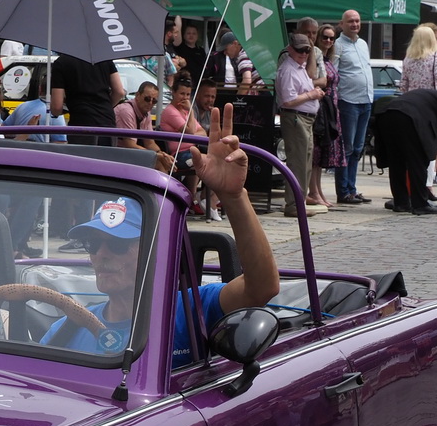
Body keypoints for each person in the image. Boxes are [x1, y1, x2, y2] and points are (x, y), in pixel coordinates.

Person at [38, 105, 279, 363]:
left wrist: (233, 197)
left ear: (155, 252)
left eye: (118, 244)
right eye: (93, 243)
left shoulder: (187, 310)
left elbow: (262, 287)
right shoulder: (65, 329)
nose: (101, 254)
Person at [375, 88, 437, 216]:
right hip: (408, 118)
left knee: (396, 162)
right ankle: (420, 204)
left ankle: (401, 202)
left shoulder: (424, 96)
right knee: (418, 161)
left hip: (386, 115)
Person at [276, 33, 324, 216]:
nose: (304, 53)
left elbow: (310, 77)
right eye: (300, 50)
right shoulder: (288, 69)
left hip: (304, 118)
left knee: (305, 163)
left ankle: (299, 203)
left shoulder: (299, 66)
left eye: (307, 50)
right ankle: (294, 205)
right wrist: (312, 95)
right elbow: (288, 100)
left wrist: (313, 93)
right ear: (290, 49)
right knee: (298, 163)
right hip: (295, 118)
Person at [334, 10, 373, 205]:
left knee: (357, 149)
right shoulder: (338, 45)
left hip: (366, 100)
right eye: (350, 21)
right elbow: (333, 73)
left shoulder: (363, 44)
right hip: (348, 101)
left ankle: (352, 188)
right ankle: (343, 191)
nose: (355, 24)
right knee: (347, 149)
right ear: (342, 24)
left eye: (357, 21)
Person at [50, 53, 121, 146]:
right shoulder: (104, 59)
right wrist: (105, 106)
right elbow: (120, 92)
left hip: (82, 124)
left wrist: (56, 112)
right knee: (106, 159)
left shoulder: (61, 62)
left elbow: (57, 106)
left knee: (83, 159)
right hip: (107, 123)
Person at [313, 25, 346, 208]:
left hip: (331, 108)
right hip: (320, 108)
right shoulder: (316, 57)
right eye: (325, 37)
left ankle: (318, 190)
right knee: (317, 152)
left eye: (332, 38)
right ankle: (314, 191)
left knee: (324, 152)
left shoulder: (328, 59)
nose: (328, 41)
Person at [400, 24, 437, 96]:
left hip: (412, 98)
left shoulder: (407, 58)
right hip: (430, 98)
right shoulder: (436, 56)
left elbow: (403, 84)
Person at [114, 81, 159, 151]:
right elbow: (130, 145)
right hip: (115, 153)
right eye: (147, 99)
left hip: (128, 152)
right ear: (137, 95)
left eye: (154, 101)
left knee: (163, 160)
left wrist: (162, 154)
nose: (150, 103)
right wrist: (155, 155)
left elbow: (150, 143)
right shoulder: (126, 111)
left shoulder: (146, 113)